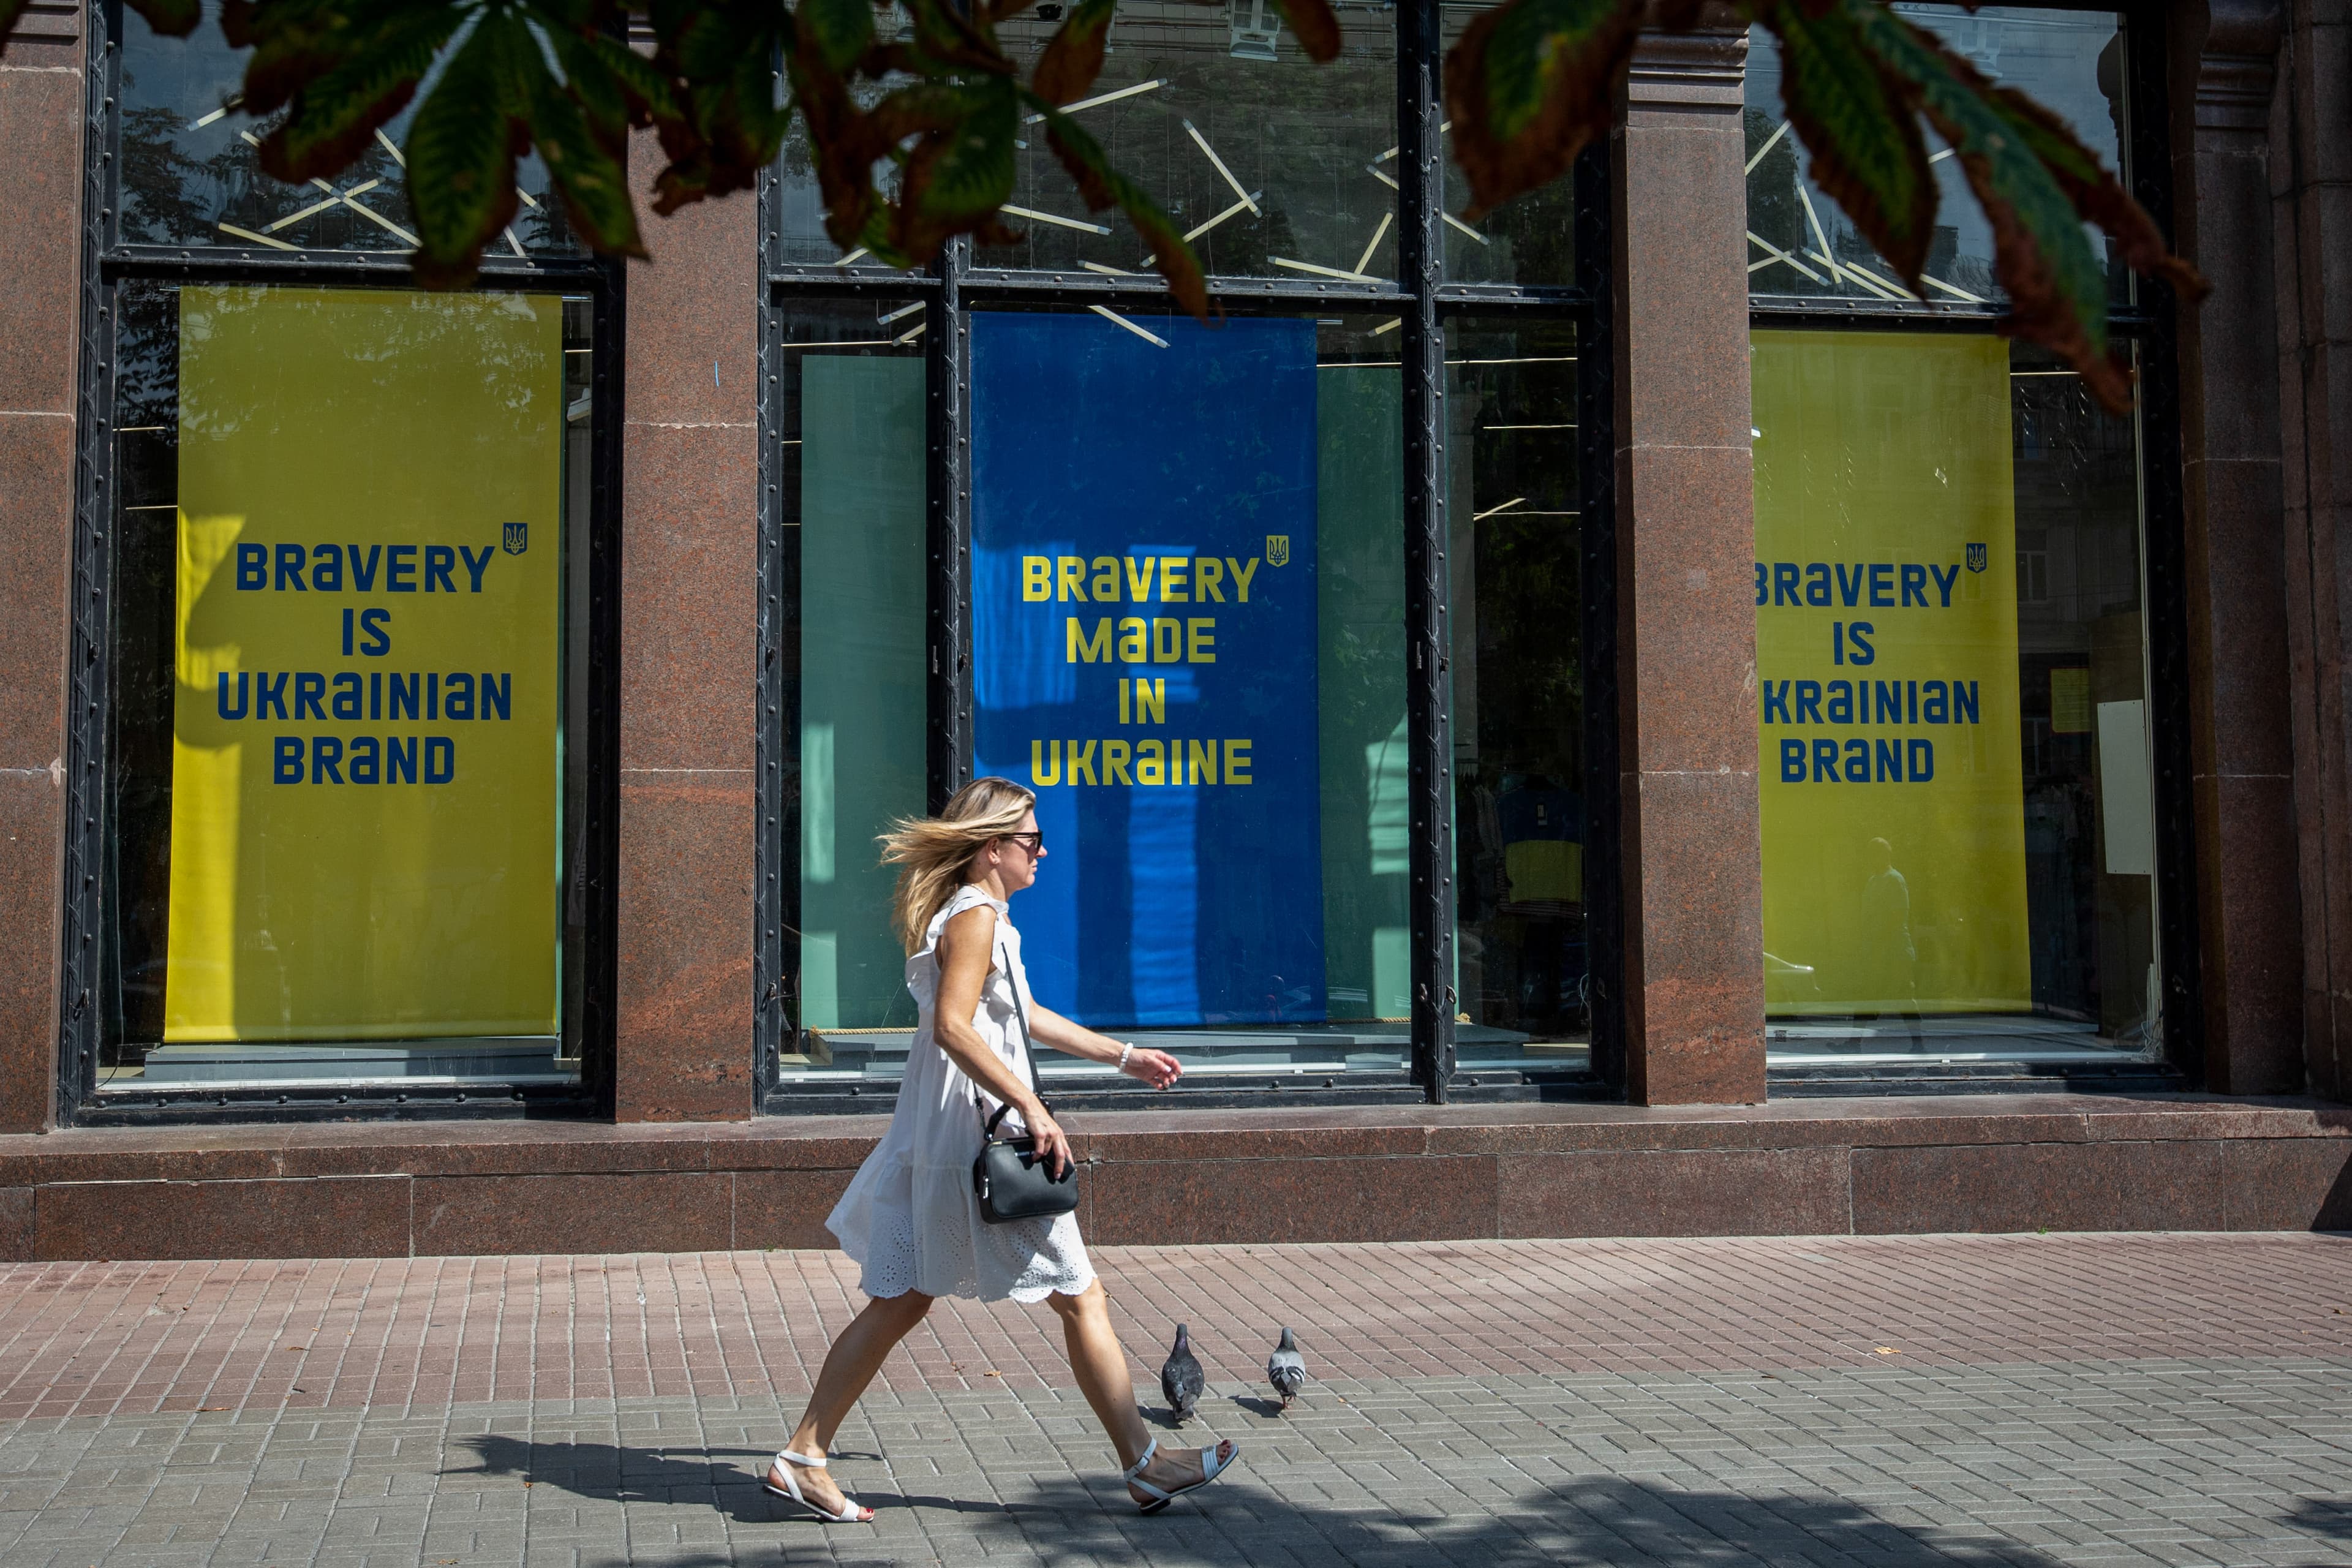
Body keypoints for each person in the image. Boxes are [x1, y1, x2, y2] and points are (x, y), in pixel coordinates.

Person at [764, 776, 1242, 1523]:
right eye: (1031, 840)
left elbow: (1023, 1014)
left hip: (952, 1129)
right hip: (981, 1134)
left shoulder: (982, 916)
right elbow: (954, 1027)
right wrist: (1029, 1104)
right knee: (1079, 1293)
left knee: (906, 1297)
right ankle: (1146, 1464)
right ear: (993, 849)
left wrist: (1123, 1055)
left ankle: (803, 1455)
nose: (1043, 851)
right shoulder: (977, 914)